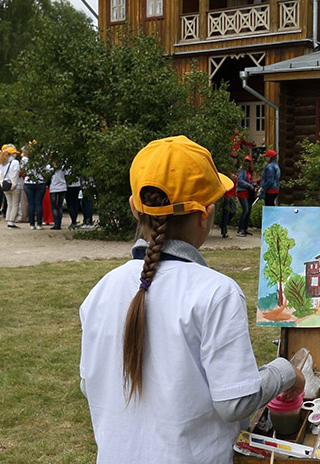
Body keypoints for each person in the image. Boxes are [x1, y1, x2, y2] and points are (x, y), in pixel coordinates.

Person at [78, 135, 303, 463]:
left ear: (133, 208)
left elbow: (90, 384)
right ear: (206, 215)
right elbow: (235, 402)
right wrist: (285, 372)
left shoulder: (101, 290)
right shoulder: (216, 293)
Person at [23, 146, 48, 230]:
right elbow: (45, 169)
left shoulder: (24, 159)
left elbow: (23, 169)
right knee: (38, 203)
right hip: (40, 181)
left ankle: (32, 224)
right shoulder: (41, 158)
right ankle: (39, 224)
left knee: (31, 203)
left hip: (28, 182)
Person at [1, 144, 25, 229]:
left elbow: (1, 175)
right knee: (15, 204)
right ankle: (11, 222)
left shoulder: (2, 162)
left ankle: (8, 219)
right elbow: (15, 174)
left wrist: (2, 184)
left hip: (5, 185)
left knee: (9, 203)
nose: (16, 154)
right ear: (11, 154)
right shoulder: (15, 162)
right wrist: (14, 185)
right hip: (14, 185)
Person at [235, 155, 254, 237]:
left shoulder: (249, 171)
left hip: (248, 193)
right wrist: (249, 185)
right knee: (245, 209)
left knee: (249, 210)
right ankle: (240, 229)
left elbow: (251, 180)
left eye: (248, 162)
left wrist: (253, 185)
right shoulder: (241, 170)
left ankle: (245, 228)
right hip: (242, 191)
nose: (247, 163)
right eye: (246, 161)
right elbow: (240, 181)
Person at [50, 164, 69, 230]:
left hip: (53, 188)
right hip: (62, 187)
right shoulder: (63, 166)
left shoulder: (49, 166)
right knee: (59, 206)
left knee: (54, 207)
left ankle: (56, 223)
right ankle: (59, 223)